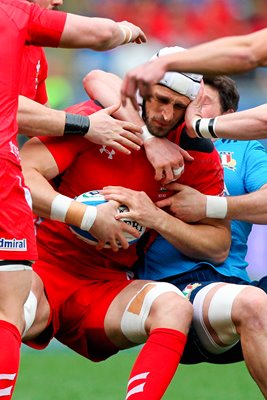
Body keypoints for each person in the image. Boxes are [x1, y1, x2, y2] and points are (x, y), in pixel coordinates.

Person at [19, 59, 229, 399]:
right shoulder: (99, 120)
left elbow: (218, 245)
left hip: (107, 285)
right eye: (161, 100)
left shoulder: (194, 153)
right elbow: (22, 176)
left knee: (174, 307)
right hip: (43, 267)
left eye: (178, 106)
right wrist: (86, 218)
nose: (165, 114)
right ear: (143, 92)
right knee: (11, 305)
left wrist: (158, 218)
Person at [0, 1, 146, 398]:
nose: (58, 2)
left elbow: (32, 114)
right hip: (3, 177)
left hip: (12, 173)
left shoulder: (34, 49)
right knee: (8, 312)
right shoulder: (17, 15)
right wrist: (125, 30)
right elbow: (100, 37)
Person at [103, 75, 267, 397]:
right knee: (252, 303)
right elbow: (98, 79)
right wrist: (150, 138)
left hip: (232, 281)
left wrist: (208, 205)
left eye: (200, 104)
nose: (187, 112)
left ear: (230, 120)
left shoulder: (245, 149)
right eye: (183, 104)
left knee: (251, 300)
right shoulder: (160, 139)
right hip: (177, 287)